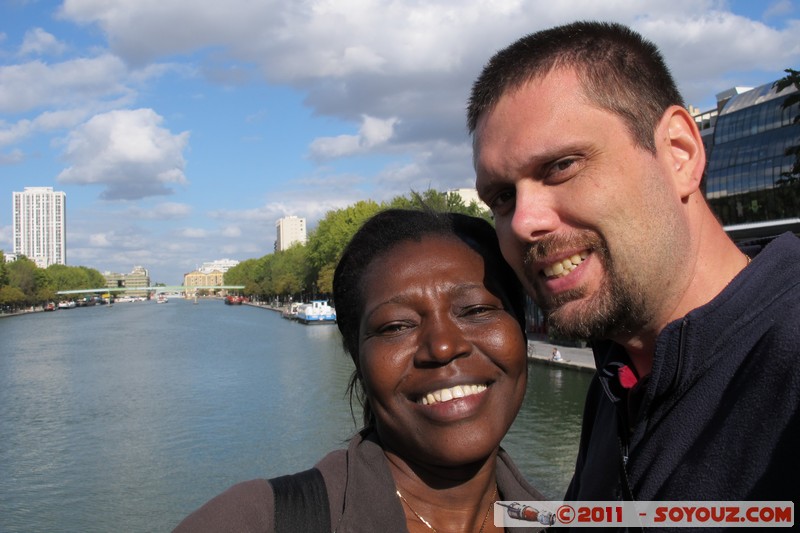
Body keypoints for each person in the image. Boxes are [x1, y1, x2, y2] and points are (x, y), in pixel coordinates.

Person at [467, 20, 800, 503]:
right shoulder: (617, 381)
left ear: (680, 153)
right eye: (501, 197)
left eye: (561, 166)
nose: (522, 222)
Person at [173, 209, 544, 532]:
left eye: (477, 310)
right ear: (357, 358)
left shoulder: (578, 519)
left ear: (521, 332)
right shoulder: (253, 521)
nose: (444, 347)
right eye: (397, 326)